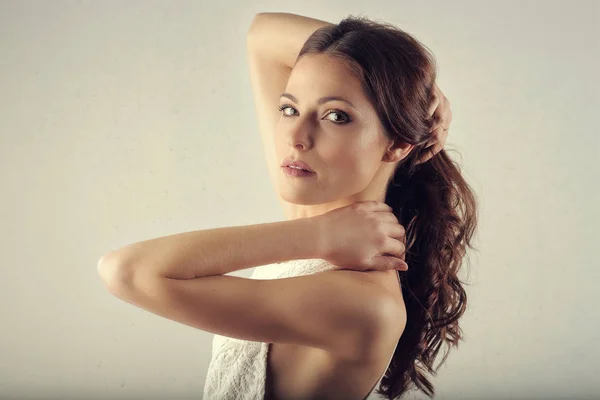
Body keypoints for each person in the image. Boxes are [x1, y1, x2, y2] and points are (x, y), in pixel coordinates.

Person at [98, 12, 478, 400]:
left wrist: (321, 235)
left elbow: (126, 271)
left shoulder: (364, 302)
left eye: (336, 116)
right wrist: (426, 85)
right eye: (289, 108)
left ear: (398, 143)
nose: (295, 137)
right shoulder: (310, 210)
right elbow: (261, 36)